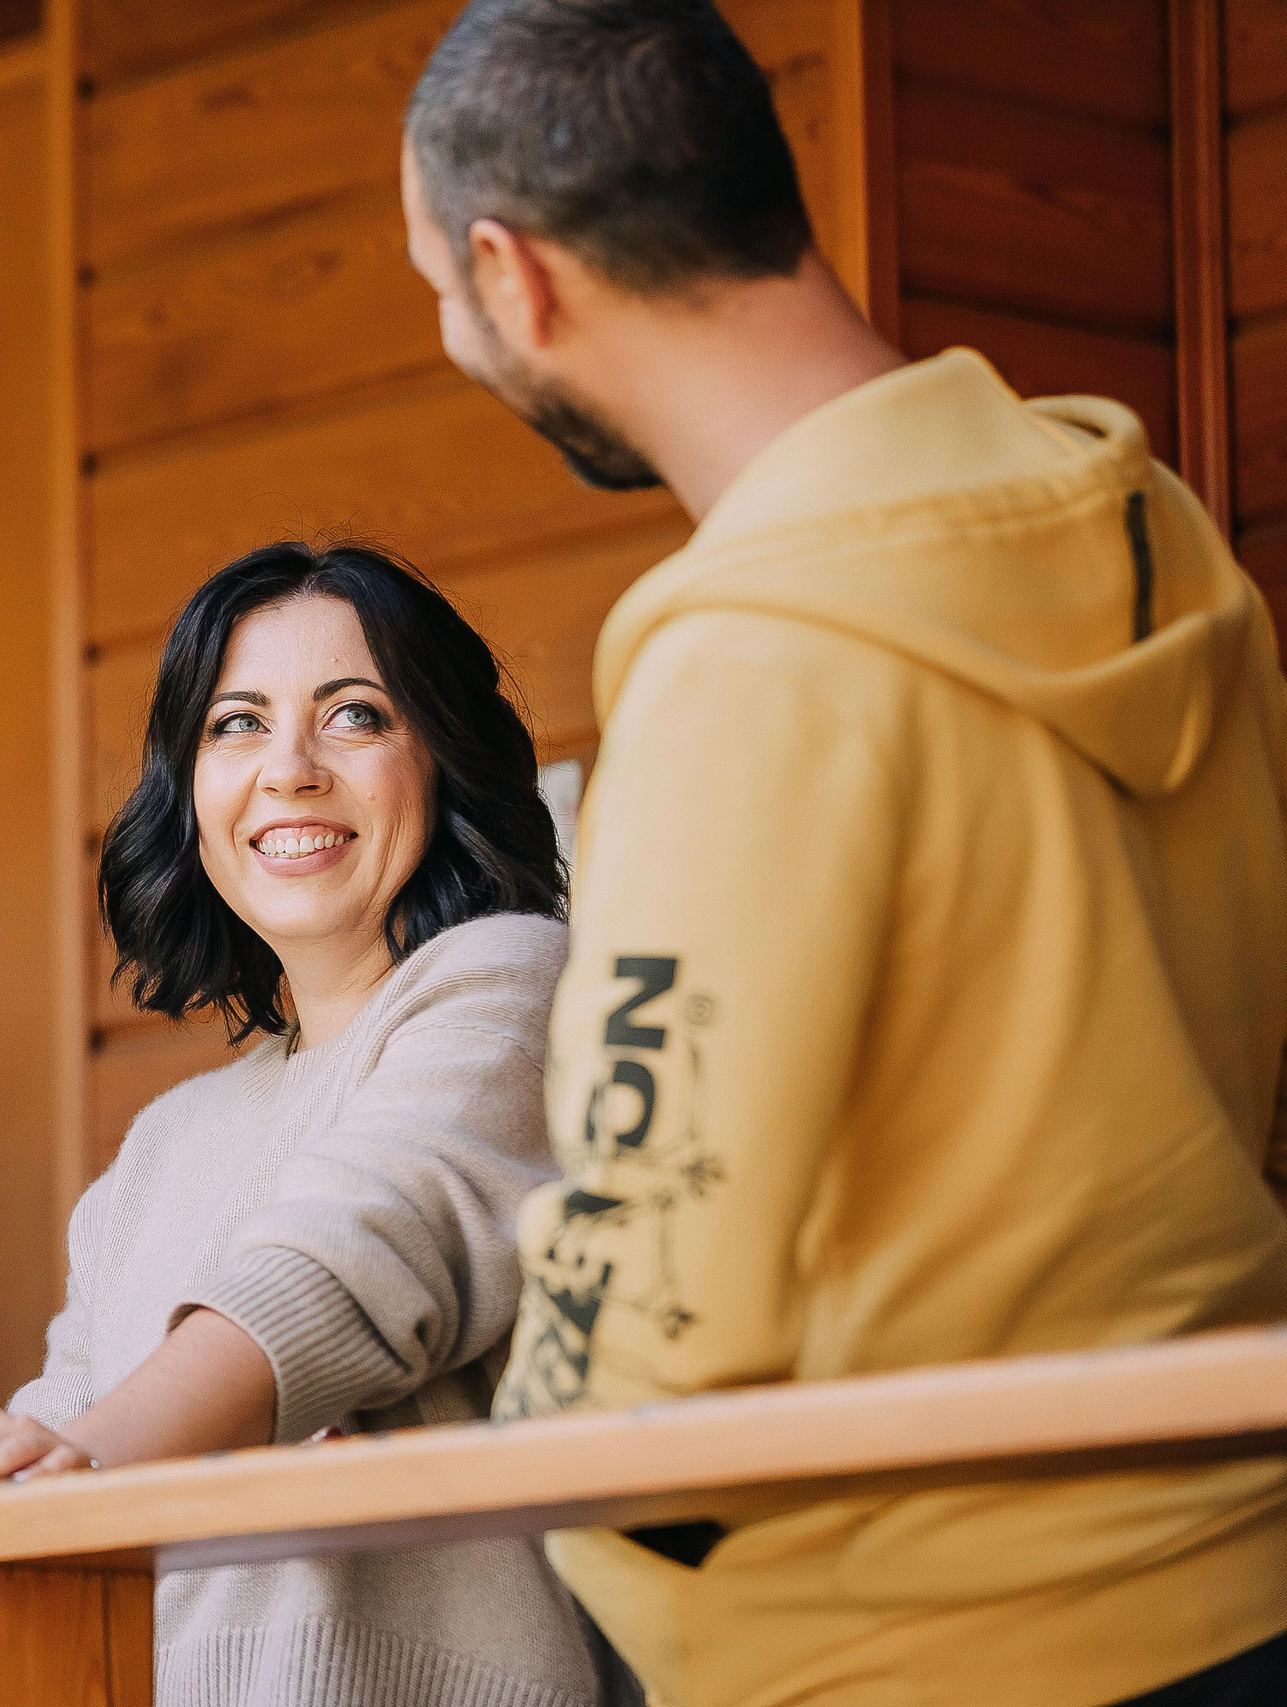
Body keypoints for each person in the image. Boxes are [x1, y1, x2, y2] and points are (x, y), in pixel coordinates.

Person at [401, 3, 1287, 1704]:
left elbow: (666, 1290)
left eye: (437, 286)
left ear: (516, 279)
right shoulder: (1150, 522)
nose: (452, 326)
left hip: (908, 1646)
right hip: (1234, 1569)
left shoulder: (753, 666)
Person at [0, 542, 617, 1707]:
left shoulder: (513, 984)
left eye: (355, 716)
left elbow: (366, 1245)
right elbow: (73, 1411)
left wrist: (70, 1467)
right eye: (237, 723)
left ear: (440, 760)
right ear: (189, 789)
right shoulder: (169, 1140)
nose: (288, 769)